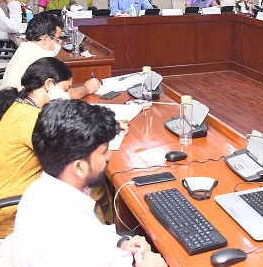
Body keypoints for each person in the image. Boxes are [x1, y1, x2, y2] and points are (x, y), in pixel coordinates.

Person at [13, 99, 167, 267]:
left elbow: (92, 234)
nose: (109, 156)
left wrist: (121, 243)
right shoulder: (68, 239)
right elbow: (81, 243)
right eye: (104, 152)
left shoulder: (40, 190)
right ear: (79, 167)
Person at [0, 58, 111, 237]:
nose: (66, 95)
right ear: (48, 84)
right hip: (5, 216)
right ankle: (106, 235)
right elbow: (71, 151)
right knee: (89, 175)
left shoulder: (16, 106)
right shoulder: (31, 119)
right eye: (65, 89)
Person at [1, 12, 100, 98]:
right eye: (57, 39)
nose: (59, 44)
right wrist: (86, 88)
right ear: (45, 39)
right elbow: (61, 96)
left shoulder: (25, 47)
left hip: (8, 102)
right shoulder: (42, 57)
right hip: (22, 107)